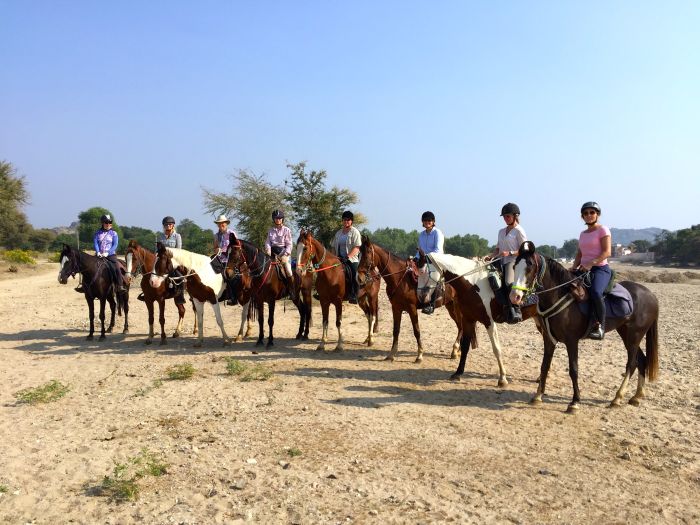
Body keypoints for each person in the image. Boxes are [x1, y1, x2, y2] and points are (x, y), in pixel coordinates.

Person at [571, 201, 612, 340]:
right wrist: (574, 267)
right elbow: (579, 253)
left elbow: (607, 252)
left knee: (595, 291)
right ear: (582, 216)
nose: (589, 215)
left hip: (600, 269)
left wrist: (591, 263)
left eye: (592, 212)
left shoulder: (603, 230)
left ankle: (600, 326)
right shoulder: (583, 234)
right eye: (586, 213)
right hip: (583, 269)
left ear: (597, 215)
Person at [485, 203, 527, 323]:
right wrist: (490, 256)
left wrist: (510, 253)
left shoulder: (519, 231)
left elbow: (524, 250)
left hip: (513, 261)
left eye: (508, 216)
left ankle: (516, 309)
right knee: (491, 280)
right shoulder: (501, 231)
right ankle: (501, 307)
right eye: (504, 216)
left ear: (515, 216)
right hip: (500, 260)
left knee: (508, 282)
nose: (505, 218)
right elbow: (497, 250)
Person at [141, 216, 185, 304]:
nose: (168, 226)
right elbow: (157, 249)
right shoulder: (160, 236)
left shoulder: (177, 236)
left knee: (180, 276)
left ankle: (180, 296)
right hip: (161, 260)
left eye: (170, 224)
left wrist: (169, 254)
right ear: (163, 226)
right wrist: (156, 254)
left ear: (173, 226)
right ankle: (146, 292)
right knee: (150, 272)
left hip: (173, 259)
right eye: (166, 225)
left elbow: (179, 250)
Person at [416, 211, 445, 314]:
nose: (427, 222)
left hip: (435, 261)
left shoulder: (437, 233)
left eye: (429, 220)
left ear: (433, 222)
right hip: (424, 261)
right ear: (422, 222)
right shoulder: (421, 235)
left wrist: (425, 257)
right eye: (425, 220)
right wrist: (414, 258)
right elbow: (419, 251)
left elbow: (438, 250)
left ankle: (431, 305)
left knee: (433, 278)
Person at [331, 210, 362, 304]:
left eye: (348, 220)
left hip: (351, 259)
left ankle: (354, 295)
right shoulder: (338, 233)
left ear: (351, 221)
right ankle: (322, 291)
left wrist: (347, 257)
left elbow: (357, 247)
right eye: (344, 220)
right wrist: (333, 258)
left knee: (354, 273)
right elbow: (333, 247)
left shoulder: (355, 232)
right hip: (338, 259)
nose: (346, 221)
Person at [91, 214, 126, 293]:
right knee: (89, 266)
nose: (108, 224)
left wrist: (108, 253)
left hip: (110, 255)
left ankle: (120, 285)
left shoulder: (114, 233)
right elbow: (96, 243)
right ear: (102, 223)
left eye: (110, 222)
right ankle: (84, 285)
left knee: (116, 268)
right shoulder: (97, 233)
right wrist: (98, 252)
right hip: (99, 255)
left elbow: (115, 245)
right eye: (106, 222)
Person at [264, 209, 294, 293]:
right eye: (276, 218)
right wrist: (268, 251)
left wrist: (286, 255)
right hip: (273, 253)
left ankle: (292, 290)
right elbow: (268, 242)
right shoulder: (270, 230)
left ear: (282, 219)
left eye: (280, 218)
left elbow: (289, 244)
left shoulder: (287, 230)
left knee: (288, 270)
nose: (278, 219)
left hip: (284, 253)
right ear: (274, 219)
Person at [213, 214, 238, 305]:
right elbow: (215, 247)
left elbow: (236, 247)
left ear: (226, 223)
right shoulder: (216, 236)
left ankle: (233, 297)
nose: (221, 225)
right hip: (220, 258)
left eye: (222, 223)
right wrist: (217, 250)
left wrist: (228, 250)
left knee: (228, 274)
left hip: (230, 259)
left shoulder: (231, 233)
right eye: (219, 224)